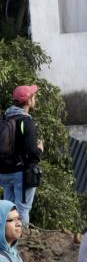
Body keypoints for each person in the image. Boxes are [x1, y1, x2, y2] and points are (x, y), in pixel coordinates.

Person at [0, 86, 43, 228]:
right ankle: (23, 241)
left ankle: (7, 241)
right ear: (28, 101)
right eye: (34, 96)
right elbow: (31, 152)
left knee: (8, 209)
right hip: (21, 174)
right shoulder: (26, 122)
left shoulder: (4, 119)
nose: (35, 99)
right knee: (22, 209)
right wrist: (39, 150)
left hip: (4, 173)